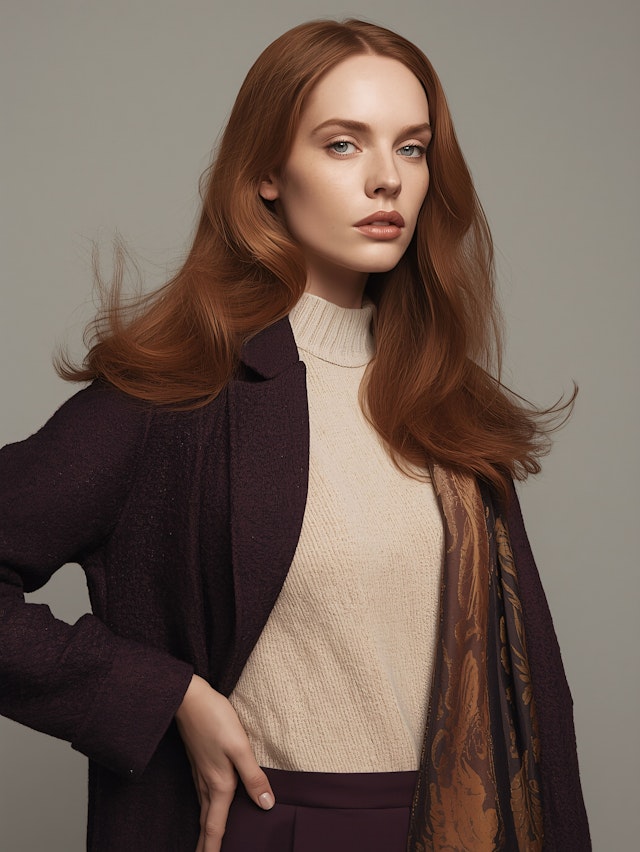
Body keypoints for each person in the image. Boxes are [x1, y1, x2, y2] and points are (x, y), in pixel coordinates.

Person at [0, 18, 590, 852]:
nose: (387, 179)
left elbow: (532, 705)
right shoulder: (181, 393)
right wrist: (166, 697)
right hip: (271, 823)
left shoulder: (443, 403)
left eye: (412, 148)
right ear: (267, 174)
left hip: (463, 826)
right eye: (343, 144)